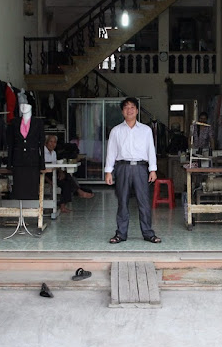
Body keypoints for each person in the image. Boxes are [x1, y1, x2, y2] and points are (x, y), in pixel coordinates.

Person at [104, 97, 161, 244]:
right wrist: (108, 171)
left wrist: (153, 169)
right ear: (122, 111)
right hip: (122, 167)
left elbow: (151, 150)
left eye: (132, 107)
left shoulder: (146, 130)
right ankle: (121, 234)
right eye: (126, 107)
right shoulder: (116, 131)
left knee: (144, 202)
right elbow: (111, 151)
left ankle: (148, 233)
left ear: (137, 110)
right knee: (122, 202)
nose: (129, 110)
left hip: (141, 168)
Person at [44, 135, 93, 213]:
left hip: (53, 174)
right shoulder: (42, 152)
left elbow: (55, 165)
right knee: (67, 176)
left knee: (66, 182)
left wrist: (60, 172)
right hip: (45, 176)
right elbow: (39, 170)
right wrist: (49, 181)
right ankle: (79, 191)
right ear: (46, 143)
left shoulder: (53, 153)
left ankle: (63, 206)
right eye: (51, 142)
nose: (53, 144)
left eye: (55, 142)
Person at [7, 103, 45, 200]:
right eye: (22, 104)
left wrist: (42, 164)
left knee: (31, 188)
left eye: (26, 104)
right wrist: (9, 163)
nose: (24, 106)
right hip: (18, 161)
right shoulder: (14, 122)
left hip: (33, 161)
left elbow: (41, 143)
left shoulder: (38, 123)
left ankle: (32, 204)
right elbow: (10, 144)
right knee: (19, 189)